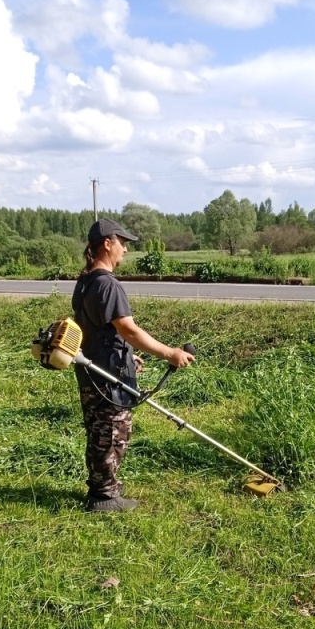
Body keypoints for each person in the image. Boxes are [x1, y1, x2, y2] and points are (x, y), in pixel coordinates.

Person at [72, 218, 195, 512]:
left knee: (100, 431)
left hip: (94, 368)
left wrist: (126, 356)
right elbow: (129, 330)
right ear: (107, 243)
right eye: (122, 243)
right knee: (112, 433)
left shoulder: (86, 280)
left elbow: (93, 329)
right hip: (105, 378)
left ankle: (104, 488)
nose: (125, 250)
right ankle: (104, 498)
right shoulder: (107, 284)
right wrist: (170, 353)